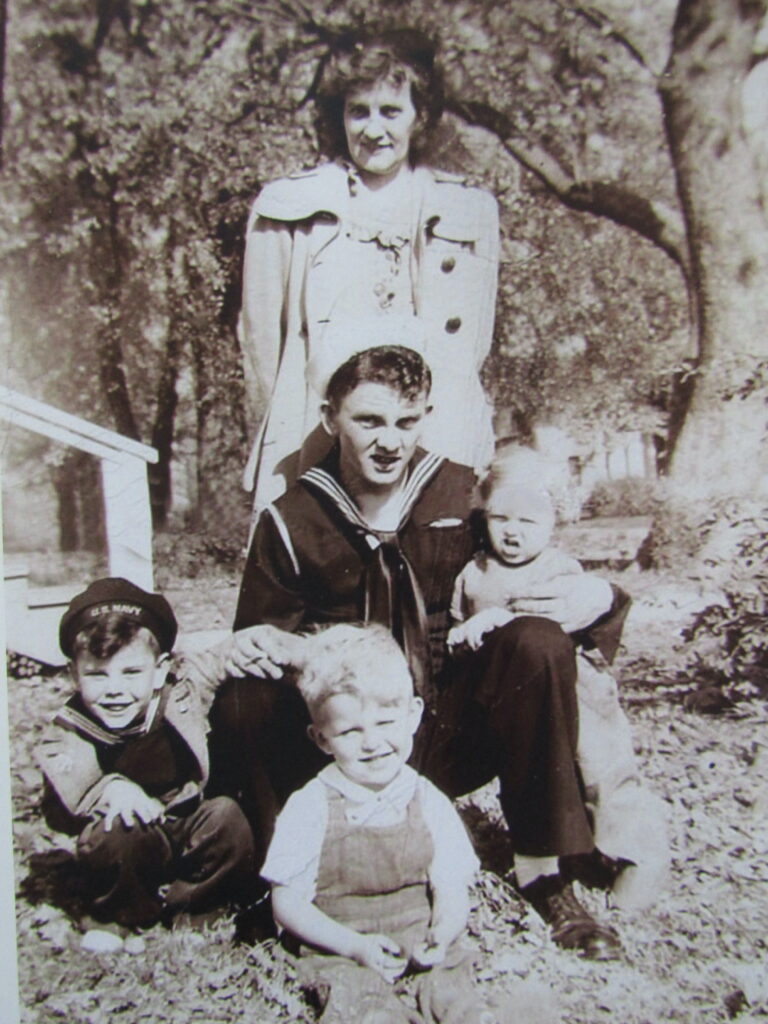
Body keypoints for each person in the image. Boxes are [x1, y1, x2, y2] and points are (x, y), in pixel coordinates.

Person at [211, 344, 633, 961]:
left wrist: (599, 595)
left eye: (406, 422)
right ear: (330, 418)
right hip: (344, 743)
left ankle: (545, 871)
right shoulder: (291, 519)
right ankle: (283, 878)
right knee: (246, 695)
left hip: (448, 727)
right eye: (369, 421)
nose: (390, 441)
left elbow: (538, 557)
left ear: (426, 418)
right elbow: (258, 644)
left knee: (537, 641)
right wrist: (295, 651)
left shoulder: (463, 493)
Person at [239, 27, 499, 510]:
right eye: (358, 111)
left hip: (429, 432)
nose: (373, 129)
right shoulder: (288, 207)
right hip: (319, 434)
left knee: (428, 548)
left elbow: (472, 346)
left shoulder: (469, 210)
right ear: (338, 116)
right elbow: (262, 347)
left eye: (390, 111)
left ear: (420, 116)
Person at [261, 623, 555, 1024]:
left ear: (413, 715)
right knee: (357, 998)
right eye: (349, 731)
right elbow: (287, 904)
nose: (371, 742)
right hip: (340, 945)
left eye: (385, 723)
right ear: (321, 739)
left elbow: (450, 886)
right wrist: (354, 947)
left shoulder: (426, 798)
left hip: (419, 940)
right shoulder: (310, 805)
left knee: (451, 989)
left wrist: (443, 931)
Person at [447, 448, 669, 913]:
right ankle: (576, 850)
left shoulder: (558, 569)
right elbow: (457, 624)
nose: (512, 531)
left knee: (601, 764)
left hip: (577, 685)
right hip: (512, 689)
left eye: (528, 520)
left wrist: (495, 619)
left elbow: (550, 619)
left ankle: (637, 854)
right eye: (501, 517)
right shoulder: (474, 571)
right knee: (553, 768)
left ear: (554, 521)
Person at [37, 577, 290, 952]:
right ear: (74, 674)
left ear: (159, 669)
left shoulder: (178, 691)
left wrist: (251, 642)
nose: (115, 690)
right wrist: (109, 789)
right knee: (117, 833)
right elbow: (65, 791)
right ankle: (118, 914)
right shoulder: (69, 730)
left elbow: (216, 660)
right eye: (96, 675)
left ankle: (194, 904)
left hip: (182, 815)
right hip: (129, 832)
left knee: (226, 817)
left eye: (131, 672)